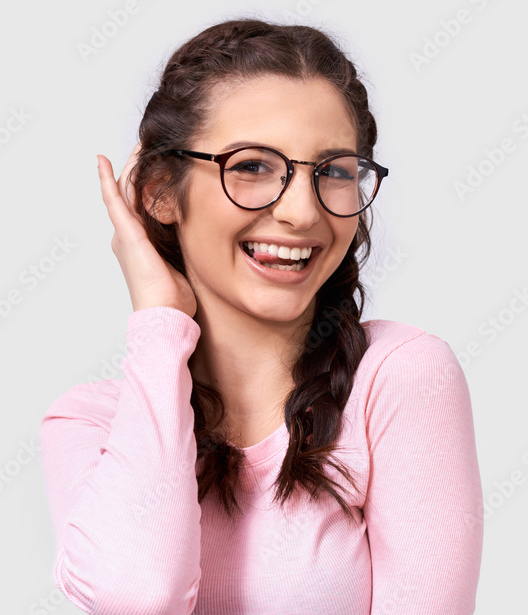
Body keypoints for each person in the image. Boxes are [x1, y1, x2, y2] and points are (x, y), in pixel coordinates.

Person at [40, 18, 483, 615]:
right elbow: (138, 595)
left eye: (333, 171)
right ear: (159, 192)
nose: (302, 212)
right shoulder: (88, 424)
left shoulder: (398, 378)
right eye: (252, 167)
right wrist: (159, 322)